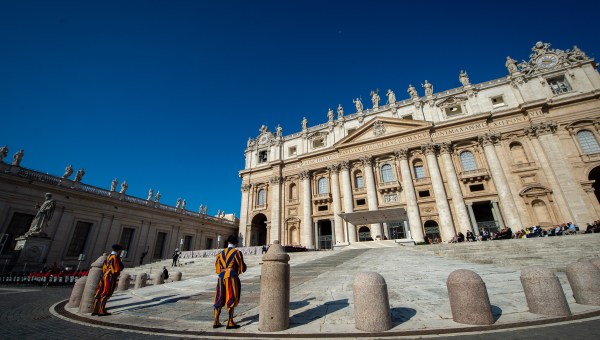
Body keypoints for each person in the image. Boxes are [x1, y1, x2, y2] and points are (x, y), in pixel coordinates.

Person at [213, 235, 247, 329]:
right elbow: (241, 267)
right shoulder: (237, 253)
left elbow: (217, 268)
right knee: (231, 295)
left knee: (219, 296)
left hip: (221, 276)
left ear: (228, 243)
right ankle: (230, 321)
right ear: (236, 243)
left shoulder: (220, 253)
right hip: (231, 276)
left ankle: (216, 320)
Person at [92, 244, 124, 316]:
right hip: (110, 276)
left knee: (100, 291)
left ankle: (95, 309)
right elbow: (117, 268)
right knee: (106, 292)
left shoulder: (108, 256)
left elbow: (104, 267)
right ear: (118, 251)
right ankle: (101, 311)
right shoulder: (115, 257)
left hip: (104, 275)